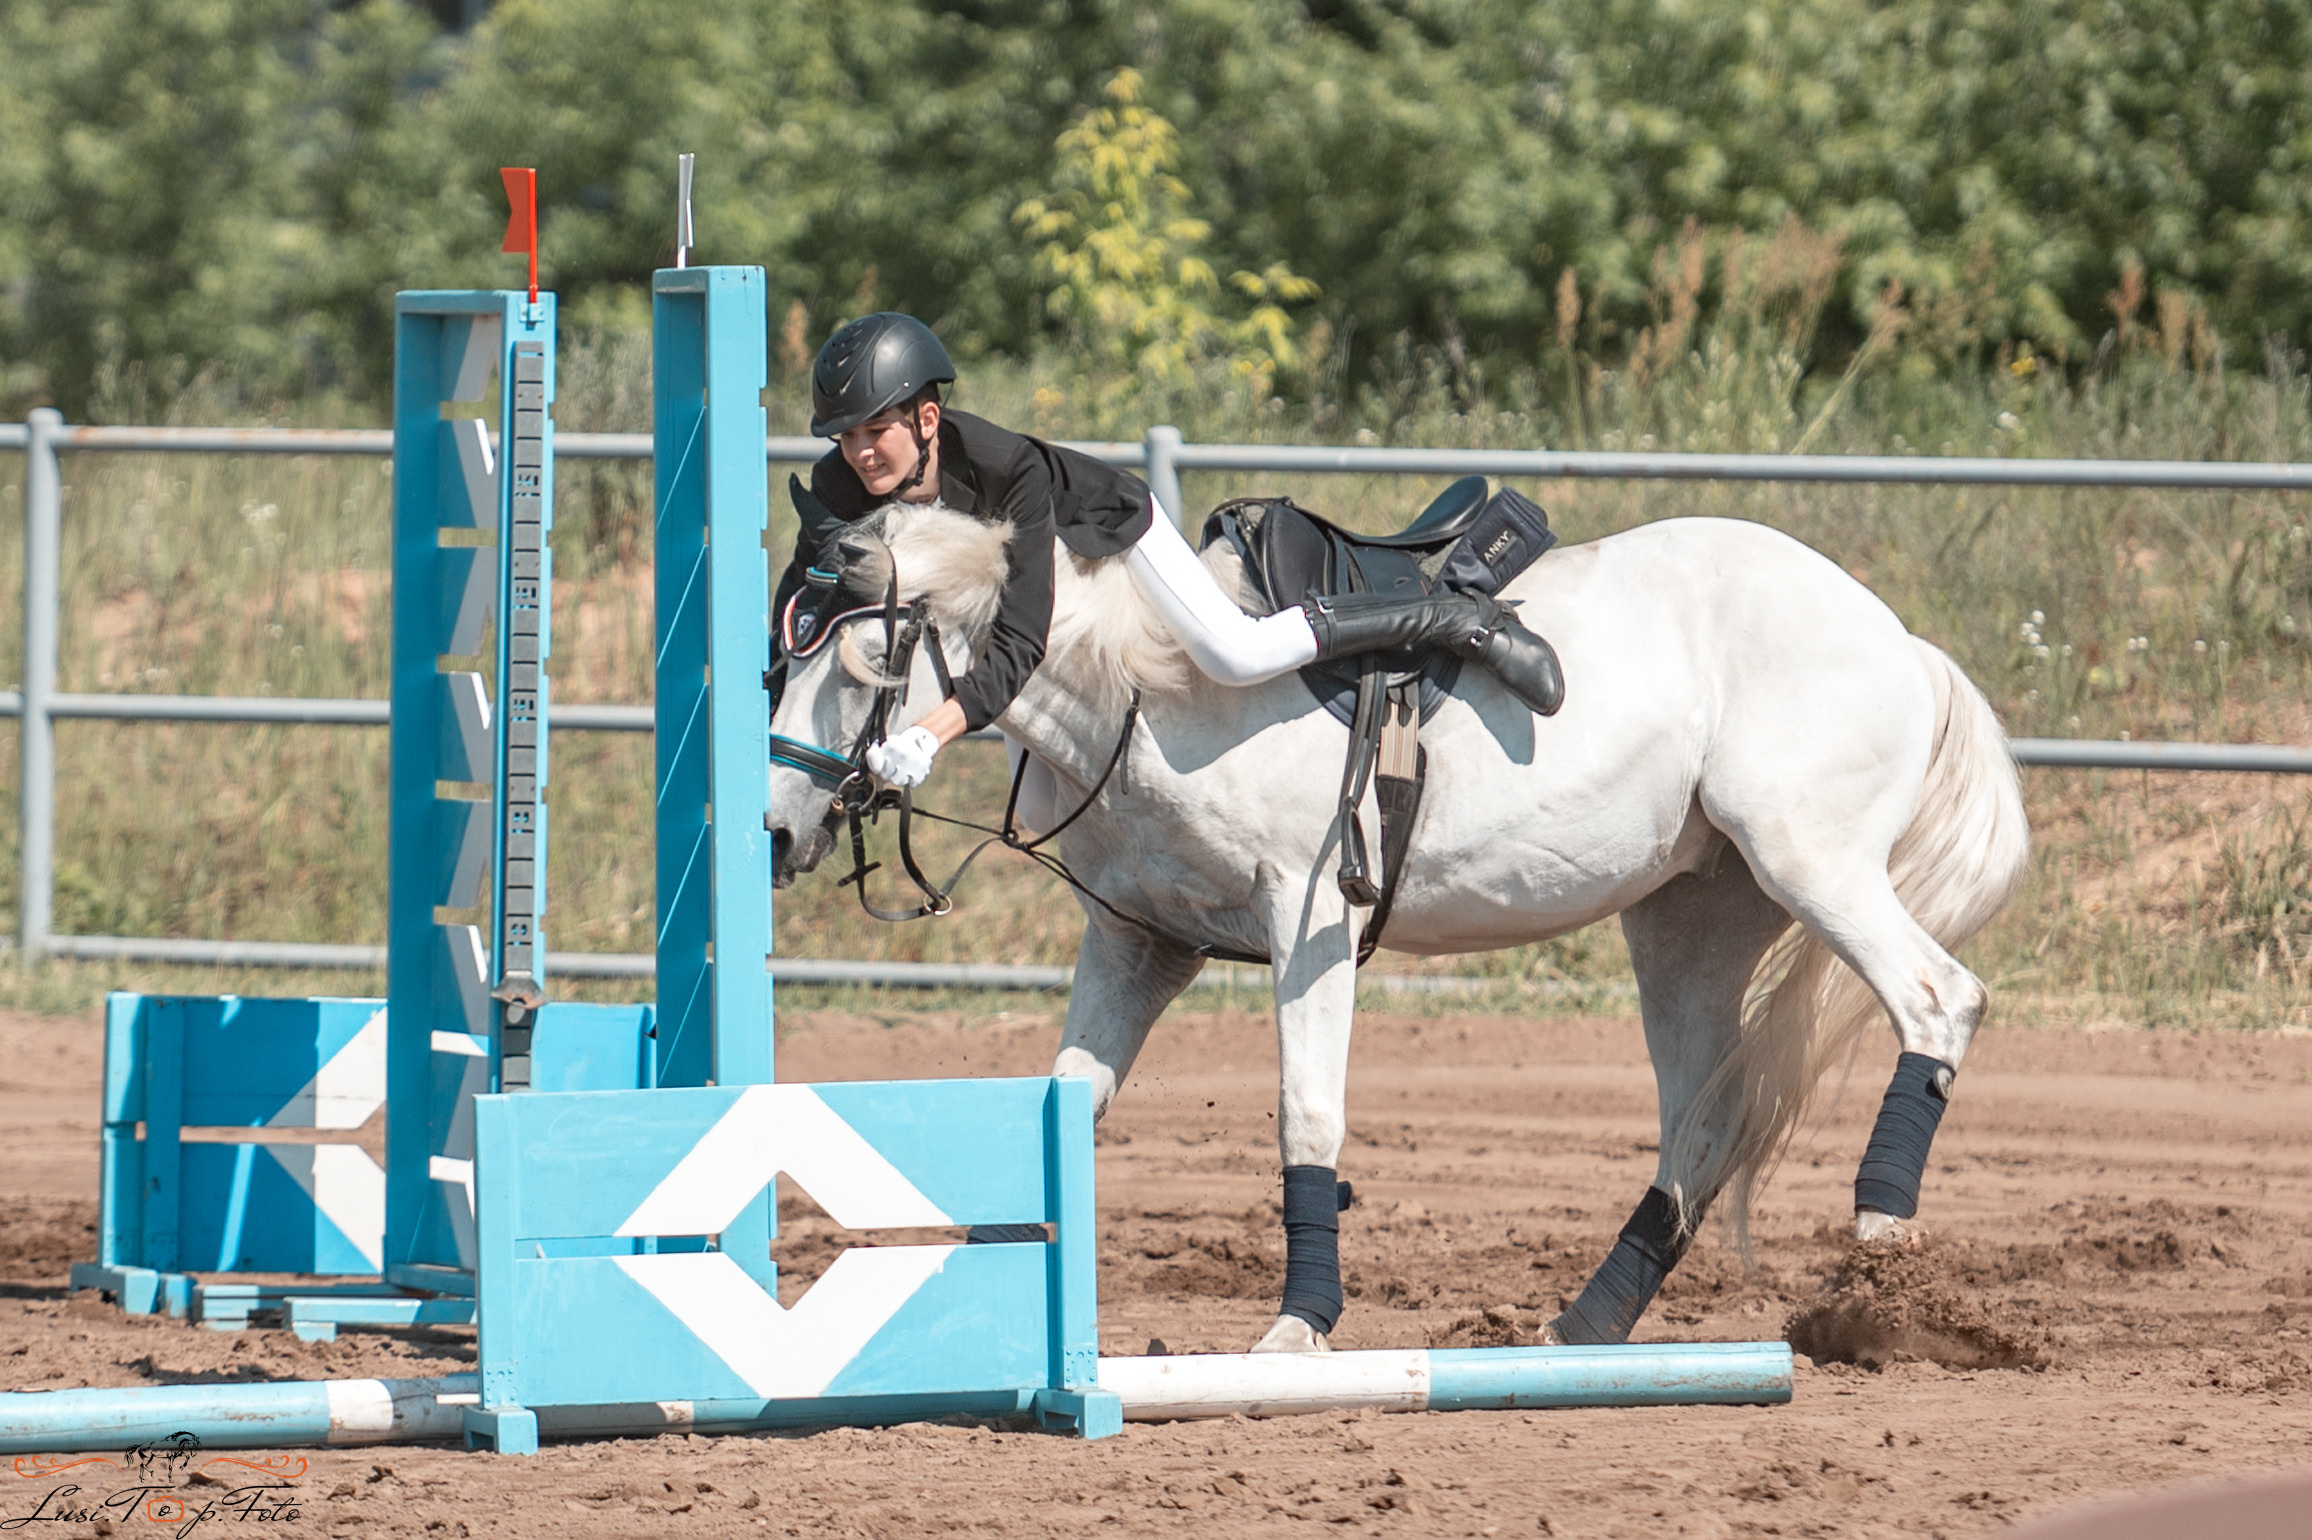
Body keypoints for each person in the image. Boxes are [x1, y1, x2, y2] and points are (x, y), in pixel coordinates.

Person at [771, 312, 1562, 792]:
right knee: (1040, 804)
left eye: (875, 432)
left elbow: (1020, 642)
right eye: (846, 436)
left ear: (929, 418)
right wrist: (773, 675)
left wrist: (928, 734)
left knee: (1233, 653)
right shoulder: (844, 481)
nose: (860, 454)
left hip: (1111, 532)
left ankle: (1447, 616)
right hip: (1039, 575)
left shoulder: (1007, 467)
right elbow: (807, 596)